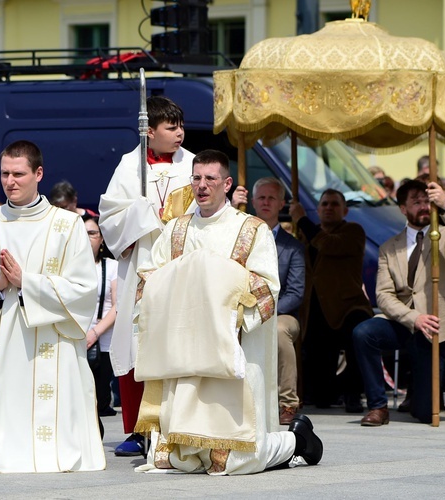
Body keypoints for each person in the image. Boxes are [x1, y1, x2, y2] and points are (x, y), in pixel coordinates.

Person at [133, 150, 321, 474]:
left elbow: (266, 287)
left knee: (234, 461)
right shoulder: (175, 230)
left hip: (231, 347)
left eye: (210, 179)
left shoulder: (251, 230)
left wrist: (219, 289)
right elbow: (149, 277)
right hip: (185, 349)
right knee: (177, 459)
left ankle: (296, 441)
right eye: (196, 178)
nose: (202, 186)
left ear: (227, 183)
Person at [0, 140, 105, 473]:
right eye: (4, 174)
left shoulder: (67, 225)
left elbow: (84, 289)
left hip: (49, 346)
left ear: (38, 173)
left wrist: (26, 282)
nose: (10, 182)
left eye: (18, 174)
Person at [98, 95, 195, 456]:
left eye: (181, 126)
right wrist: (139, 214)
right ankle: (139, 430)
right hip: (141, 266)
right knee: (136, 344)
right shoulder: (129, 165)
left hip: (182, 267)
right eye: (172, 128)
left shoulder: (194, 165)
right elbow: (109, 215)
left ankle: (178, 425)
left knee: (179, 345)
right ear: (149, 131)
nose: (180, 134)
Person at [353, 180, 445, 425]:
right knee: (363, 333)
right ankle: (378, 406)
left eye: (426, 201)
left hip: (434, 326)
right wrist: (413, 318)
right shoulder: (389, 247)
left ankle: (418, 397)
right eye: (416, 202)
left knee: (423, 412)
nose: (423, 206)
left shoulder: (443, 237)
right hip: (403, 321)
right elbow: (384, 296)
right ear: (402, 208)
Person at [290, 189, 373, 412]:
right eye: (324, 204)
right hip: (317, 309)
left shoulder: (353, 231)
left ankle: (354, 394)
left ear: (344, 210)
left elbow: (329, 244)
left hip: (348, 306)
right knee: (321, 395)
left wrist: (302, 219)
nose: (328, 208)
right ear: (318, 210)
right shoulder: (305, 236)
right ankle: (326, 392)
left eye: (334, 204)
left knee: (357, 339)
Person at [240, 178, 306, 424]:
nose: (266, 202)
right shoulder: (242, 240)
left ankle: (287, 402)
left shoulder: (293, 248)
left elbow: (296, 292)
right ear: (253, 202)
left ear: (281, 204)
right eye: (261, 198)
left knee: (278, 332)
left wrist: (266, 312)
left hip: (282, 313)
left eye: (271, 198)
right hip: (245, 307)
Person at [83, 214, 118, 418]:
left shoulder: (111, 267)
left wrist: (95, 333)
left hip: (103, 342)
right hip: (75, 339)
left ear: (102, 238)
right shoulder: (69, 268)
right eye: (83, 233)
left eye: (92, 233)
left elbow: (117, 306)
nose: (87, 238)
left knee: (100, 401)